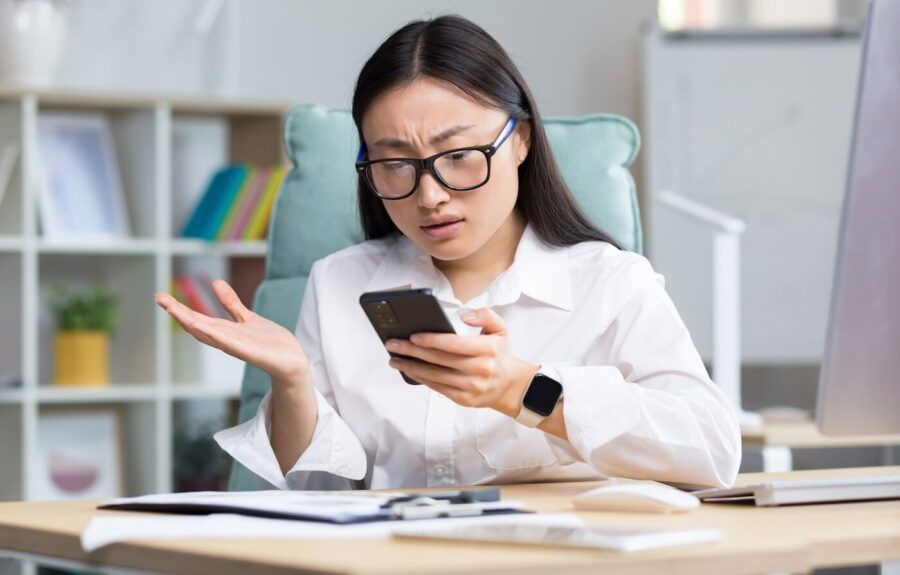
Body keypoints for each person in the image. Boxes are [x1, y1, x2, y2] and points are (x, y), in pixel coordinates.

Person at [155, 15, 741, 491]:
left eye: (458, 155)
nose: (430, 196)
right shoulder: (339, 284)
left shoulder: (611, 283)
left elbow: (712, 450)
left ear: (523, 140)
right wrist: (289, 383)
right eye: (394, 165)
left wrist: (522, 389)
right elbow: (315, 495)